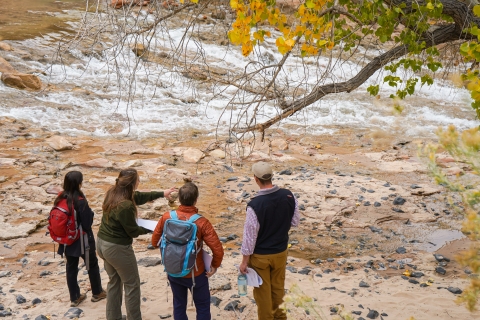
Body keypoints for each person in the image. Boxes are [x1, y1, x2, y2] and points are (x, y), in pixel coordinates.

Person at [97, 169, 176, 320]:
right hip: (117, 248)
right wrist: (153, 228)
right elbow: (133, 231)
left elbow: (138, 197)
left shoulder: (113, 192)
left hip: (101, 243)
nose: (139, 182)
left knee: (114, 282)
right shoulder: (125, 206)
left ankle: (113, 318)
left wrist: (162, 193)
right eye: (138, 180)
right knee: (132, 285)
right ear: (133, 183)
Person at [152, 181, 224, 320]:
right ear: (196, 200)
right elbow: (218, 249)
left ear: (179, 198)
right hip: (195, 273)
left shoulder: (167, 217)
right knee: (202, 306)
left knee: (179, 305)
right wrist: (214, 265)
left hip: (173, 270)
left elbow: (155, 242)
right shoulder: (202, 222)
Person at [238, 162, 300, 320]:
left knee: (262, 293)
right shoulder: (289, 195)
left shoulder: (255, 205)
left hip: (260, 256)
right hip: (280, 252)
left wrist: (244, 261)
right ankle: (281, 317)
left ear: (256, 179)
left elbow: (249, 239)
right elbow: (295, 222)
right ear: (271, 176)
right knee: (278, 289)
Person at [54, 171, 106, 307]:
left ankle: (75, 297)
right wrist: (91, 213)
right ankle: (97, 292)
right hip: (82, 239)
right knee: (91, 264)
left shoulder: (61, 197)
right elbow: (87, 223)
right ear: (78, 183)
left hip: (67, 240)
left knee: (71, 267)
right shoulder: (80, 200)